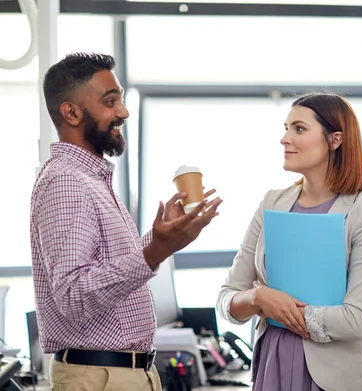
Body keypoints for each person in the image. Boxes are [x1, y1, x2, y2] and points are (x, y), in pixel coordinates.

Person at [30, 52, 222, 391]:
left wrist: (162, 238)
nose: (123, 111)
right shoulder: (66, 181)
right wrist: (154, 254)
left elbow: (109, 269)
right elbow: (73, 296)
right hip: (100, 377)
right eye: (110, 101)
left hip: (123, 374)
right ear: (71, 112)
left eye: (120, 99)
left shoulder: (91, 179)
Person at [216, 92, 362, 391]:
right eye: (286, 128)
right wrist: (259, 298)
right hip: (273, 366)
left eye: (298, 129)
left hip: (337, 378)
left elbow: (356, 319)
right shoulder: (271, 203)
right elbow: (226, 298)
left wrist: (278, 308)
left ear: (334, 140)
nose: (285, 139)